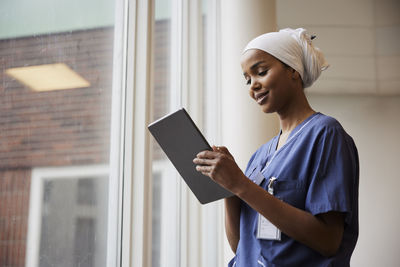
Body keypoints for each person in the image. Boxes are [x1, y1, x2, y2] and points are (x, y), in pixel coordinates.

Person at [193, 28, 359, 267]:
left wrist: (241, 184)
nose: (253, 85)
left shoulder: (324, 134)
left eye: (261, 72)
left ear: (293, 70)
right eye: (248, 79)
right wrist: (229, 190)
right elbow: (242, 247)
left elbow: (328, 240)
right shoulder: (259, 156)